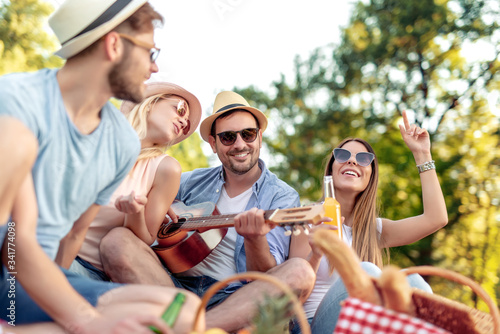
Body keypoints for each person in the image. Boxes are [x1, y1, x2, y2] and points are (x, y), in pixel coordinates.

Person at [0, 1, 202, 333]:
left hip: (35, 278)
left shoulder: (120, 143)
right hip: (11, 270)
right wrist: (84, 320)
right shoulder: (17, 104)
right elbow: (15, 244)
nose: (154, 69)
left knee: (185, 311)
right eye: (150, 53)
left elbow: (74, 234)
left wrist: (74, 310)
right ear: (113, 44)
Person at [98, 91, 317, 332]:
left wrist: (255, 238)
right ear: (213, 144)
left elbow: (262, 278)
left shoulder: (282, 197)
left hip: (235, 300)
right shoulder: (189, 181)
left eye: (248, 134)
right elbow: (144, 196)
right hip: (171, 286)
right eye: (227, 137)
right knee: (116, 241)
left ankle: (192, 329)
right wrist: (157, 202)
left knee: (300, 272)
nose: (240, 144)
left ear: (260, 138)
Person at [288, 110, 448, 334]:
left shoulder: (374, 230)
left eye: (363, 159)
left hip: (366, 324)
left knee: (412, 282)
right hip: (314, 325)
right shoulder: (309, 217)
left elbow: (436, 218)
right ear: (332, 168)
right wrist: (315, 254)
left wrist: (422, 154)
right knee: (365, 271)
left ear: (370, 176)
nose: (352, 160)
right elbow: (291, 297)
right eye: (343, 155)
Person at [57, 81, 201, 281]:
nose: (184, 121)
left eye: (186, 123)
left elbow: (144, 239)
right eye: (180, 109)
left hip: (85, 270)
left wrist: (135, 212)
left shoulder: (165, 169)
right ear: (150, 103)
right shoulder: (91, 132)